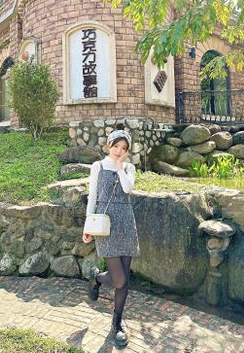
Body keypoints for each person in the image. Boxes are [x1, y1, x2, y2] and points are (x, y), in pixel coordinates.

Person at [82, 124, 139, 348]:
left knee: (125, 278)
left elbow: (127, 189)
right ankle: (96, 277)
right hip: (105, 225)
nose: (119, 151)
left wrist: (119, 166)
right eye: (116, 146)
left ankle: (117, 324)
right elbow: (93, 196)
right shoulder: (97, 166)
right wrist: (87, 225)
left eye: (124, 148)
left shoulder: (129, 168)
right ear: (109, 145)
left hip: (125, 222)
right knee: (118, 279)